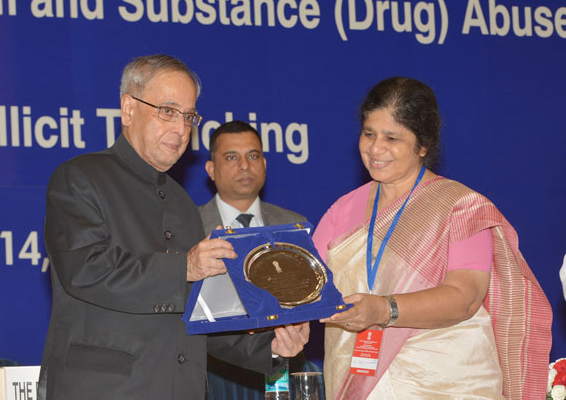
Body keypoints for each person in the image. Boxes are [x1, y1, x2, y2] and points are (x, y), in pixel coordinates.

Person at [38, 54, 309, 400]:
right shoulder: (79, 178)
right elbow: (86, 270)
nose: (181, 129)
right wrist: (185, 267)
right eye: (167, 111)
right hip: (106, 389)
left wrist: (271, 346)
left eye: (189, 117)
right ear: (128, 109)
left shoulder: (182, 204)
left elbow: (201, 310)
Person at [314, 77, 551, 399]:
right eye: (369, 133)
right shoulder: (343, 210)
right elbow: (308, 289)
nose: (375, 148)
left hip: (447, 383)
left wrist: (383, 310)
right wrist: (294, 325)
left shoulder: (459, 207)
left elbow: (465, 297)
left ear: (423, 145)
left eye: (392, 138)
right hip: (358, 380)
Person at [198, 120, 308, 396]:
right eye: (232, 157)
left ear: (265, 164)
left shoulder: (294, 225)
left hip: (282, 367)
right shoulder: (189, 229)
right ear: (211, 169)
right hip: (210, 373)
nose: (245, 165)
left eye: (253, 156)